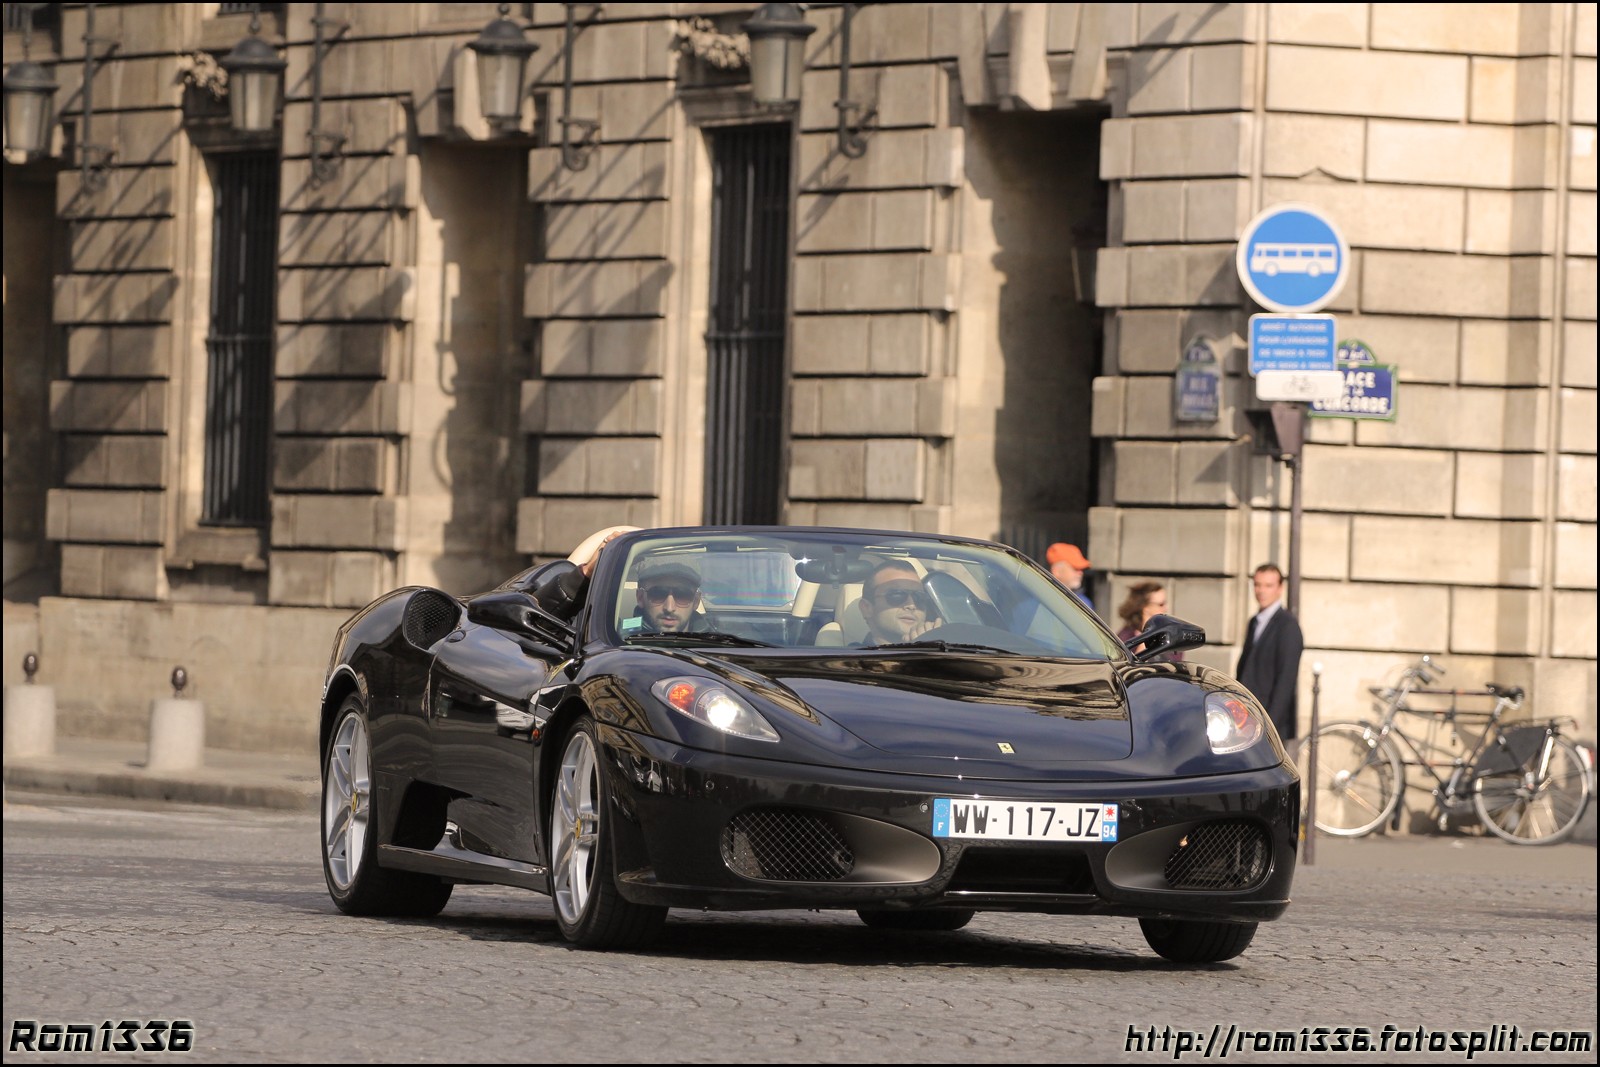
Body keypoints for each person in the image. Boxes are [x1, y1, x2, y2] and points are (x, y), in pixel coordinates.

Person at [1235, 563, 1304, 741]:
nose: (1261, 591)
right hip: (1247, 717)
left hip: (1271, 724)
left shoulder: (1288, 626)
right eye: (1257, 585)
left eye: (1268, 585)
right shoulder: (1254, 622)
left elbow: (1286, 681)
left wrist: (1269, 727)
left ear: (1280, 588)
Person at [856, 561, 941, 645]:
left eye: (919, 597)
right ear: (866, 608)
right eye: (897, 595)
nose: (911, 605)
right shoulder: (849, 655)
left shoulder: (945, 648)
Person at [1115, 581, 1182, 662]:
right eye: (1161, 604)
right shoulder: (1126, 637)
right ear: (1145, 607)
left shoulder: (1168, 634)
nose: (1166, 608)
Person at [634, 559, 702, 633]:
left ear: (696, 601)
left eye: (682, 595)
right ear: (640, 597)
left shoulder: (713, 641)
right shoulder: (621, 639)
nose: (669, 608)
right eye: (658, 593)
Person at [1046, 543, 1093, 610]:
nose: (1080, 573)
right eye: (1075, 568)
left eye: (1081, 569)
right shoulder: (1042, 598)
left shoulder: (1085, 603)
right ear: (1057, 571)